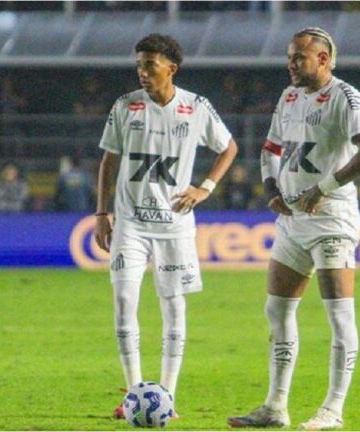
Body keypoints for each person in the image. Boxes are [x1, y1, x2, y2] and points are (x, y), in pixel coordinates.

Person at [227, 27, 360, 430]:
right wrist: (271, 187)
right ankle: (276, 406)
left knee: (338, 315)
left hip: (331, 219)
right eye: (289, 57)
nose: (291, 64)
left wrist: (324, 188)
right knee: (276, 309)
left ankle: (333, 409)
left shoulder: (346, 97)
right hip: (293, 219)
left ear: (324, 60)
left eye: (299, 57)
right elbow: (271, 148)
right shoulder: (289, 96)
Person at [93, 33, 238, 418]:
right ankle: (134, 394)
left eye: (150, 65)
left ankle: (167, 397)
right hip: (131, 225)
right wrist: (100, 213)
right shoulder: (125, 107)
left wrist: (205, 187)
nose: (142, 72)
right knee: (125, 302)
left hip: (175, 227)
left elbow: (229, 147)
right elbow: (109, 161)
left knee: (173, 308)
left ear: (171, 68)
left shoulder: (196, 107)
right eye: (139, 64)